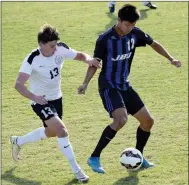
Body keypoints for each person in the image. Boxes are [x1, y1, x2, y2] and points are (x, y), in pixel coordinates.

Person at [78, 4, 181, 174]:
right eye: (127, 25)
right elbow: (95, 63)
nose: (129, 28)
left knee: (148, 121)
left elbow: (153, 43)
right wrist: (85, 83)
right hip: (109, 86)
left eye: (132, 25)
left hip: (125, 85)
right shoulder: (104, 39)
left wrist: (171, 59)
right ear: (119, 20)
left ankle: (138, 156)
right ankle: (94, 157)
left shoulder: (135, 33)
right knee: (121, 120)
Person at [10, 24, 100, 181]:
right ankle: (77, 170)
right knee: (61, 130)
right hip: (40, 101)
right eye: (51, 46)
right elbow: (18, 84)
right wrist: (34, 97)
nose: (55, 49)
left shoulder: (60, 48)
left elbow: (80, 55)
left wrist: (89, 60)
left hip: (57, 99)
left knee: (52, 132)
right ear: (41, 45)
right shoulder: (32, 59)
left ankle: (18, 141)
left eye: (55, 45)